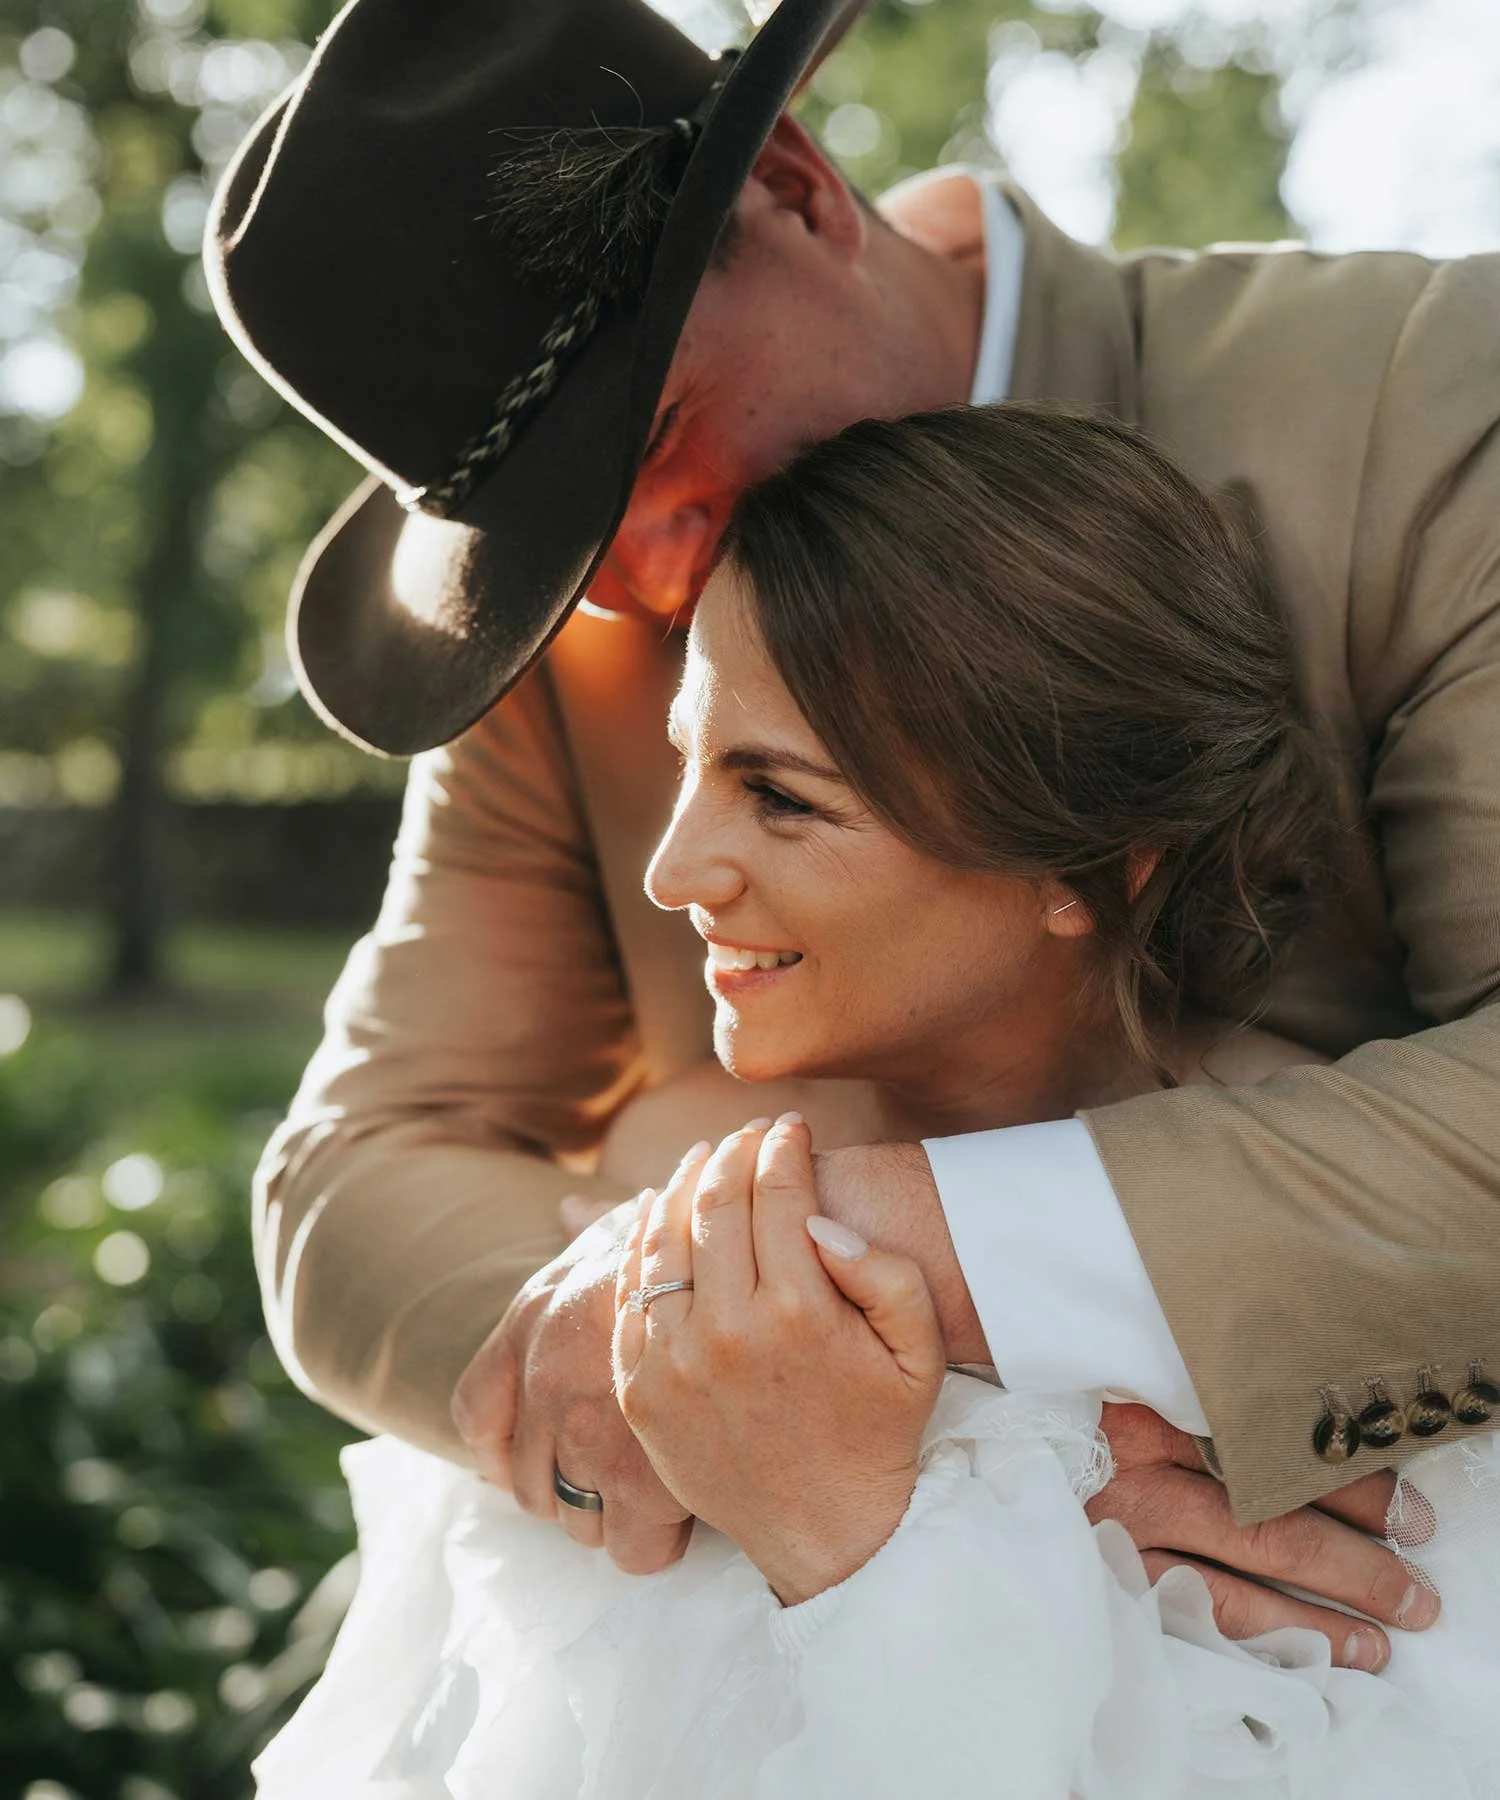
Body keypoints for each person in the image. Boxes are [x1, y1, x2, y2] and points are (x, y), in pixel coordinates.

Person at [208, 0, 1500, 1670]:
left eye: (653, 440)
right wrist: (777, 1410)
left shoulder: (1422, 407)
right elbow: (355, 1175)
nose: (643, 581)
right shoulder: (582, 627)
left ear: (802, 195)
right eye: (554, 539)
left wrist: (892, 1275)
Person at [251, 407, 1500, 1800]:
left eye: (780, 799)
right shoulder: (651, 1204)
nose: (671, 872)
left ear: (1089, 869)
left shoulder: (1335, 1268)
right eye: (687, 763)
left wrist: (930, 1504)